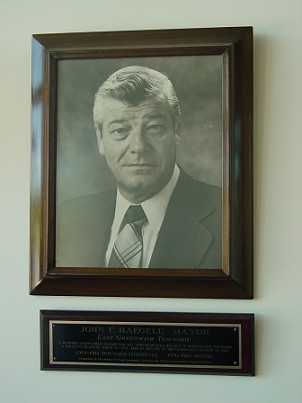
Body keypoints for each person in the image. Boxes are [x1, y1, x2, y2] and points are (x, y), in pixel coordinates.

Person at [56, 66, 222, 269]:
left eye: (154, 127)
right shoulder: (72, 215)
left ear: (176, 130)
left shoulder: (226, 217)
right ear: (100, 138)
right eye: (120, 130)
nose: (139, 147)